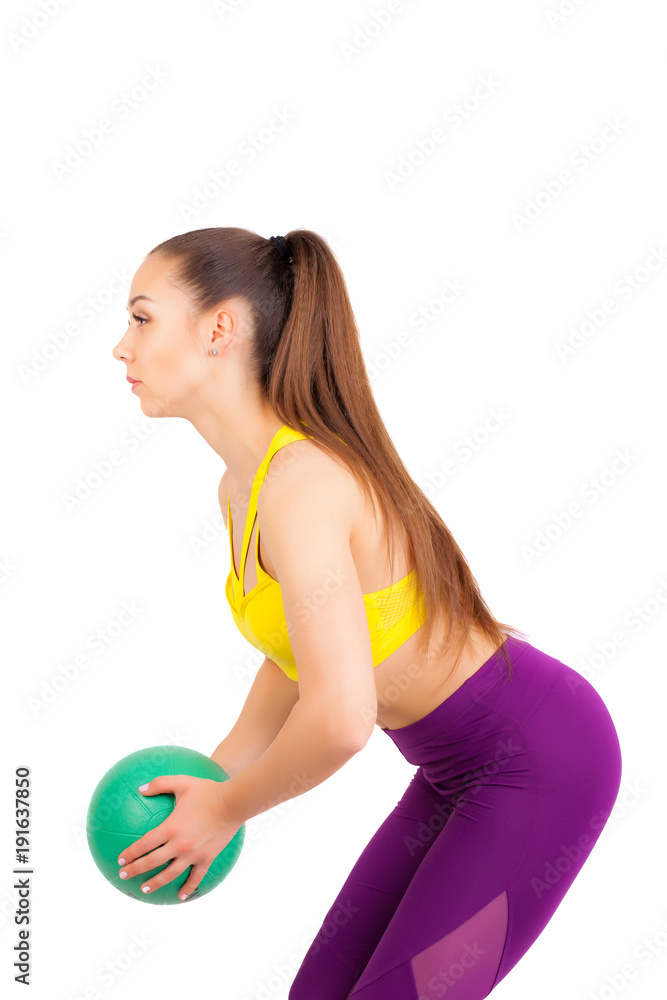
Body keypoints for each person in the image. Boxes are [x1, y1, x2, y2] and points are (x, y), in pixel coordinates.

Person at [112, 227, 623, 998]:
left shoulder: (302, 486)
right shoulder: (244, 486)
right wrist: (218, 772)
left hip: (541, 756)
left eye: (142, 318)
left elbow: (342, 717)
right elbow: (293, 658)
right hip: (454, 770)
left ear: (218, 328)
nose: (121, 348)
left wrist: (227, 809)